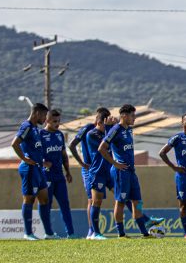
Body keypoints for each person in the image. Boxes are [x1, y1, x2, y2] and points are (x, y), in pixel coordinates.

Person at [97, 104, 154, 238]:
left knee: (137, 202)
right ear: (124, 116)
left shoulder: (129, 130)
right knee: (121, 202)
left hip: (131, 171)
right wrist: (115, 163)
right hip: (120, 172)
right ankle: (121, 234)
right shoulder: (116, 129)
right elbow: (102, 148)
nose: (135, 118)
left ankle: (144, 233)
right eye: (132, 116)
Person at [10, 102, 54, 240]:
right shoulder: (27, 126)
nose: (45, 119)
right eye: (44, 116)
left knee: (44, 198)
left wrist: (42, 162)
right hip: (29, 168)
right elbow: (15, 143)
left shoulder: (35, 129)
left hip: (38, 168)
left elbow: (33, 149)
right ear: (37, 113)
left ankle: (48, 233)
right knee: (29, 199)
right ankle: (28, 233)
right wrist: (24, 158)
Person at [68, 107, 111, 237]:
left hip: (102, 168)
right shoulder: (88, 129)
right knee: (91, 199)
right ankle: (91, 231)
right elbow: (72, 145)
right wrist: (81, 163)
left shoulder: (106, 131)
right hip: (89, 169)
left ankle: (93, 230)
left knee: (95, 199)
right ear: (99, 119)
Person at [40, 109, 75, 238]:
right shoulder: (40, 134)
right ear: (47, 120)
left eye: (59, 121)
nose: (58, 124)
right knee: (46, 204)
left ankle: (71, 233)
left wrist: (68, 172)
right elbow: (32, 153)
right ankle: (48, 233)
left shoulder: (60, 135)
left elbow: (64, 154)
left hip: (59, 176)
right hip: (46, 176)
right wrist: (43, 162)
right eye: (55, 121)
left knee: (65, 204)